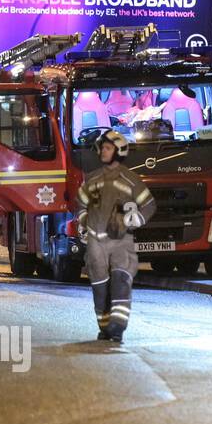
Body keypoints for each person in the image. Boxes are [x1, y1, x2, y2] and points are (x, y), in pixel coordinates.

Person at [75, 130, 157, 343]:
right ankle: (104, 327)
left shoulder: (131, 180)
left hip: (121, 240)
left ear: (119, 151)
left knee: (121, 280)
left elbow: (149, 205)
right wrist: (85, 219)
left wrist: (132, 221)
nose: (103, 151)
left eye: (108, 148)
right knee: (100, 287)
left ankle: (118, 326)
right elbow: (80, 204)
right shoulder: (91, 179)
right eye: (102, 148)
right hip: (96, 241)